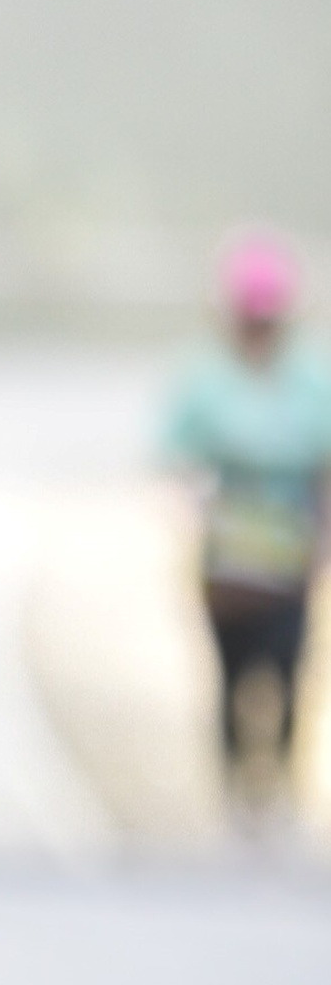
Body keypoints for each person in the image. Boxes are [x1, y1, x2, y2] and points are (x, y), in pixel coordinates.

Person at [161, 234, 331, 820]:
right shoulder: (206, 380)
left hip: (290, 555)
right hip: (228, 559)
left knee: (288, 667)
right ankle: (234, 781)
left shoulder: (312, 380)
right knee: (230, 672)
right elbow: (175, 456)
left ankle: (278, 779)